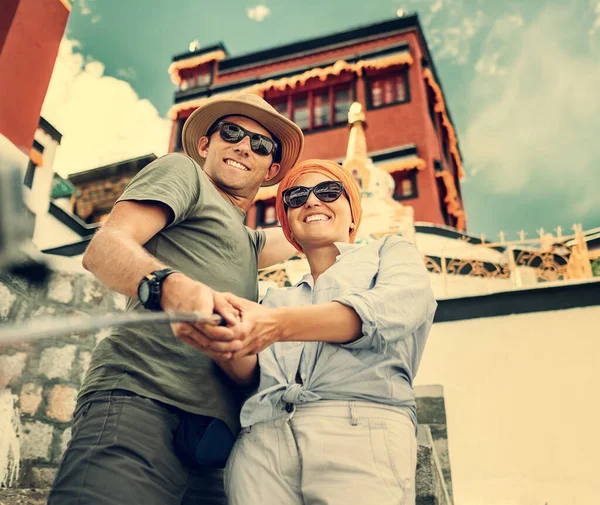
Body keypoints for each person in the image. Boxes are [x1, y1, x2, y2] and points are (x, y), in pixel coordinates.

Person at [47, 93, 304, 505]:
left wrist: (334, 206)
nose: (244, 146)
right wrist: (168, 284)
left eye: (261, 144)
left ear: (272, 168)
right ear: (206, 144)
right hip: (141, 402)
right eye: (233, 132)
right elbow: (104, 247)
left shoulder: (250, 241)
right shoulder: (183, 171)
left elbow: (308, 233)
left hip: (216, 448)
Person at [197, 159, 437, 505]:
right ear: (289, 228)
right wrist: (224, 341)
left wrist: (276, 326)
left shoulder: (390, 254)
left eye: (328, 191)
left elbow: (390, 311)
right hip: (262, 446)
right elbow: (253, 377)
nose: (312, 201)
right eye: (296, 197)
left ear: (353, 214)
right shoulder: (276, 297)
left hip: (358, 430)